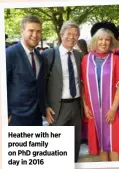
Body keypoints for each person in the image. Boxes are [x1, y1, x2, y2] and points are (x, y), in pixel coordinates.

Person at [81, 27, 119, 161]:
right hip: (93, 109)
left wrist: (113, 109)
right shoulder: (86, 60)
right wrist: (85, 106)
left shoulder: (115, 59)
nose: (103, 43)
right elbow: (82, 84)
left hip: (111, 109)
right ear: (95, 41)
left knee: (114, 143)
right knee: (101, 143)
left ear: (111, 42)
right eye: (100, 39)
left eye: (107, 40)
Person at [42, 20, 83, 162]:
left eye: (76, 34)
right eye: (69, 34)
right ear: (61, 35)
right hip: (57, 107)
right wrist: (45, 107)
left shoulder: (79, 56)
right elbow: (41, 84)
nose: (72, 37)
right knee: (59, 147)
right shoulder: (49, 55)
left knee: (75, 144)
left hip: (76, 106)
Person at [6, 15, 45, 126]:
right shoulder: (10, 54)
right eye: (31, 30)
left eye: (38, 31)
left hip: (37, 117)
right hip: (16, 119)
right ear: (22, 31)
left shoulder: (38, 55)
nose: (35, 35)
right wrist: (6, 113)